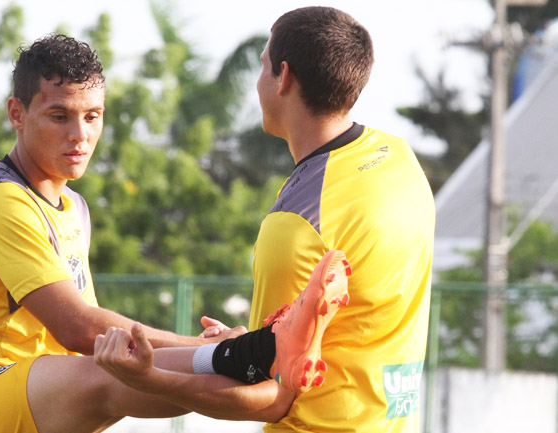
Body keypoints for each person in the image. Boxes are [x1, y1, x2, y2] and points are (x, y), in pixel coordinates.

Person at [0, 33, 352, 433]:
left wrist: (195, 351)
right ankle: (257, 354)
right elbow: (78, 328)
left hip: (35, 398)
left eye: (92, 116)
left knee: (123, 365)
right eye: (59, 116)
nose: (80, 135)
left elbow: (93, 341)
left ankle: (269, 375)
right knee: (112, 371)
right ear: (17, 113)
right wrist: (196, 345)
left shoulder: (75, 208)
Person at [97, 6, 435, 433]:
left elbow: (267, 396)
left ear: (284, 77)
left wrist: (151, 378)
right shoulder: (400, 159)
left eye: (262, 66)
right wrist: (245, 346)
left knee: (93, 377)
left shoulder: (297, 223)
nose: (258, 82)